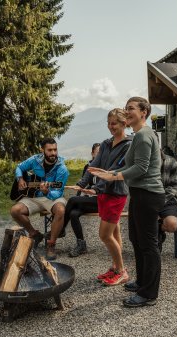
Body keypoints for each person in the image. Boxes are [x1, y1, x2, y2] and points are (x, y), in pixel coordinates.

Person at [89, 96, 165, 307]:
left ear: (143, 112)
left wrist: (113, 176)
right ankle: (141, 281)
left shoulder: (142, 136)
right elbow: (131, 167)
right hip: (140, 194)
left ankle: (148, 294)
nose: (127, 111)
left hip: (149, 195)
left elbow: (141, 168)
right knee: (136, 239)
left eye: (131, 108)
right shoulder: (140, 134)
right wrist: (109, 173)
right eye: (126, 108)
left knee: (148, 245)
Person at [69, 108, 131, 285]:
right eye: (109, 123)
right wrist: (82, 184)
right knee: (115, 232)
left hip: (116, 194)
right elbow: (94, 166)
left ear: (124, 123)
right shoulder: (105, 143)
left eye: (114, 123)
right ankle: (115, 267)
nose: (111, 127)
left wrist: (96, 189)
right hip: (104, 194)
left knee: (104, 235)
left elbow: (113, 171)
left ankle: (121, 271)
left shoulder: (128, 145)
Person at [10, 137, 69, 260]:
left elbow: (58, 192)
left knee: (60, 210)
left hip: (52, 196)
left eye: (55, 150)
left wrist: (47, 191)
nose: (53, 153)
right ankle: (34, 234)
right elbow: (19, 167)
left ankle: (51, 245)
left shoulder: (62, 169)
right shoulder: (35, 160)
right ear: (42, 150)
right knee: (15, 211)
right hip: (34, 196)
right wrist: (20, 179)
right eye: (50, 150)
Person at [60, 143, 100, 257]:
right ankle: (81, 245)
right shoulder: (87, 167)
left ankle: (61, 229)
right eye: (97, 153)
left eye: (101, 154)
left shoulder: (105, 168)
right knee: (73, 213)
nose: (99, 156)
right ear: (92, 154)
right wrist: (79, 197)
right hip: (89, 200)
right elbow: (82, 185)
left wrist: (77, 199)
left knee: (72, 200)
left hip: (100, 201)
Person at [157, 151, 177, 253]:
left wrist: (161, 200)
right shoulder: (141, 161)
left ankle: (159, 229)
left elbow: (173, 186)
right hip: (147, 199)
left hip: (167, 198)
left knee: (172, 225)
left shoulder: (171, 161)